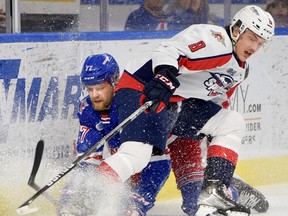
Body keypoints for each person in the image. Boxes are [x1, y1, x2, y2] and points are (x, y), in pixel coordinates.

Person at [94, 5, 275, 216]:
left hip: (176, 102)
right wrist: (164, 75)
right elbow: (169, 50)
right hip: (142, 85)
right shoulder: (215, 40)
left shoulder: (239, 71)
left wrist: (214, 144)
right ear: (236, 30)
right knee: (137, 156)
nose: (254, 47)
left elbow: (218, 103)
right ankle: (89, 195)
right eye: (252, 38)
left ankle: (213, 189)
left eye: (260, 43)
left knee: (231, 122)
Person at [58, 53, 171, 216]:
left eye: (100, 88)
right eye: (90, 89)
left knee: (127, 211)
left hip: (151, 164)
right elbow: (88, 161)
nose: (94, 95)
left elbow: (159, 162)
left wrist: (136, 205)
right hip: (119, 168)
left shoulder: (132, 101)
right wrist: (71, 196)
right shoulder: (88, 109)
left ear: (115, 81)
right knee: (84, 199)